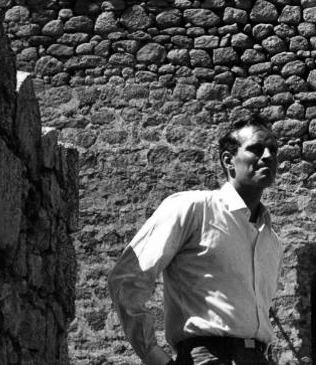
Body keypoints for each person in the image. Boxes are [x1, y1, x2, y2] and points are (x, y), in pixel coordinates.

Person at [108, 114, 282, 365]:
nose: (268, 156)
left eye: (273, 150)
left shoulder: (272, 241)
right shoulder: (192, 209)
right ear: (228, 161)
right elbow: (126, 280)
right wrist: (154, 356)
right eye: (255, 149)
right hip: (207, 357)